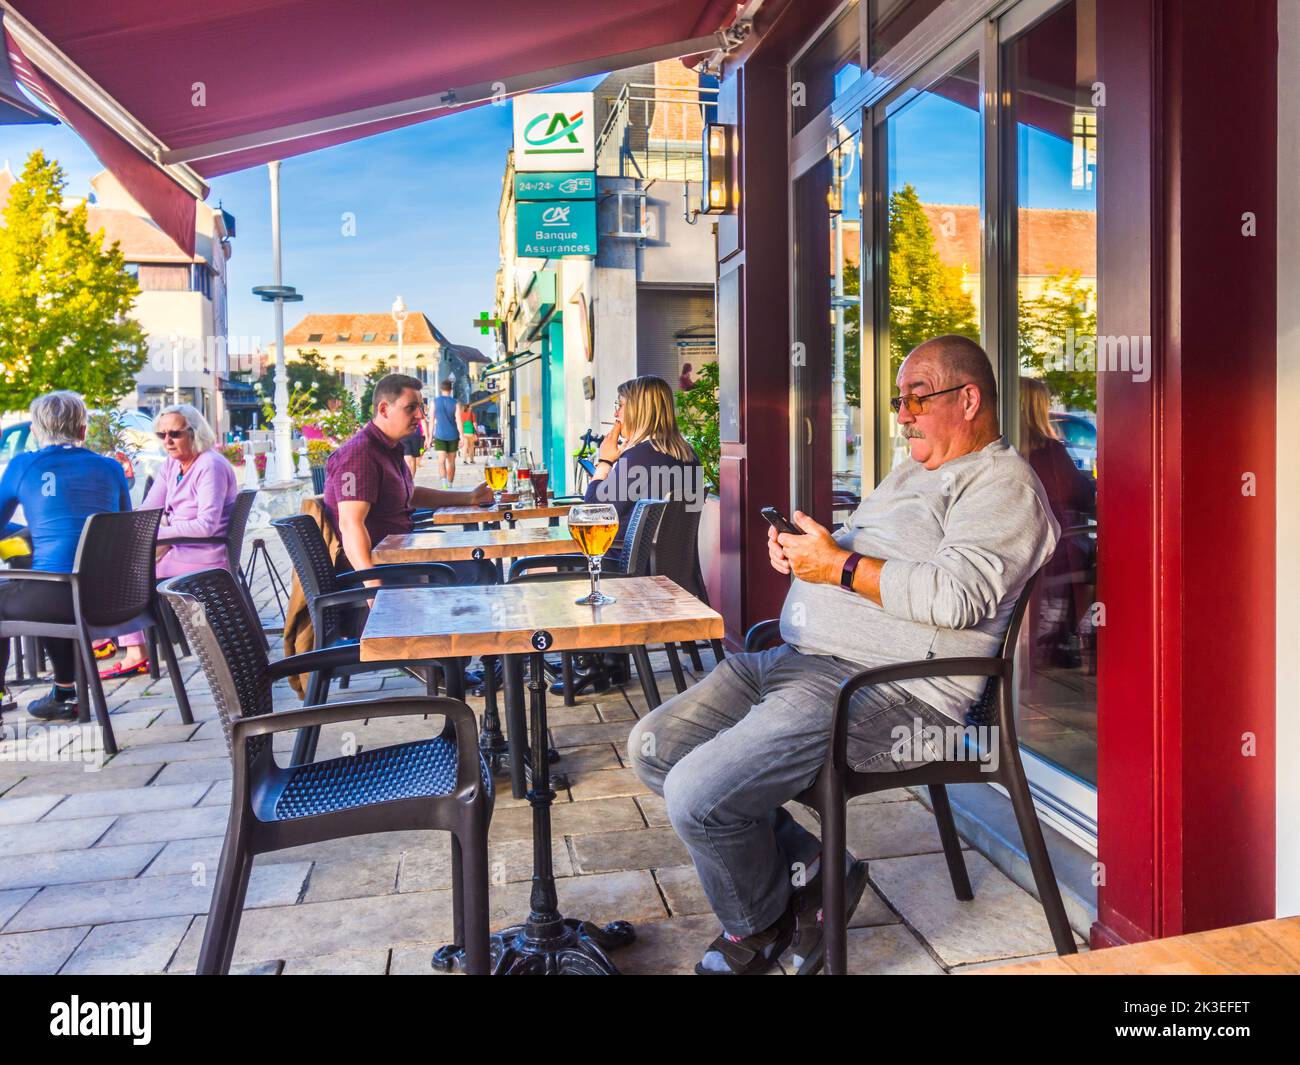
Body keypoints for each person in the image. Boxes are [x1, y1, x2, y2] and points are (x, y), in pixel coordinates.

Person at [627, 336, 1059, 975]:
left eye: (918, 397)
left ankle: (758, 926)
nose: (903, 413)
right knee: (654, 747)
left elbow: (958, 596)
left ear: (969, 400)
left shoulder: (1002, 484)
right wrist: (810, 557)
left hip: (885, 692)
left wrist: (837, 565)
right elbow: (864, 559)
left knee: (698, 792)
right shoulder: (913, 471)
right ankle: (812, 876)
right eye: (899, 399)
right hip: (796, 661)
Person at [0, 391, 131, 720]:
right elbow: (126, 527)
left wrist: (23, 533)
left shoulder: (23, 465)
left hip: (57, 598)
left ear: (34, 431)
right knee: (45, 579)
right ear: (83, 431)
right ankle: (64, 692)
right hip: (117, 597)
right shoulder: (111, 468)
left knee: (34, 587)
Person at [100, 404, 239, 678]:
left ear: (194, 432)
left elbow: (206, 526)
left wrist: (156, 532)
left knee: (123, 578)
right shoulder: (172, 465)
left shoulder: (209, 465)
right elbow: (149, 510)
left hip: (202, 555)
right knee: (120, 566)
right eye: (161, 434)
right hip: (179, 549)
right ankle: (130, 646)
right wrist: (142, 527)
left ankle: (136, 653)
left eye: (174, 433)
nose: (167, 441)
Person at [324, 373, 491, 578]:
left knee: (478, 560)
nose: (420, 415)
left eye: (420, 407)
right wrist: (373, 591)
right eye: (411, 408)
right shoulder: (359, 454)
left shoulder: (387, 447)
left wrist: (469, 498)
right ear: (384, 409)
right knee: (478, 570)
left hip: (401, 552)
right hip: (382, 567)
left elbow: (410, 494)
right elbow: (350, 524)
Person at [1018, 377, 1096, 669]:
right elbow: (1077, 494)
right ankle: (1067, 641)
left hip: (1026, 550)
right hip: (1056, 549)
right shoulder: (1049, 451)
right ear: (1038, 408)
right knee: (1098, 560)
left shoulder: (1006, 451)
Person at [586, 375, 704, 547]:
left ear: (637, 410)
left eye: (620, 406)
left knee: (560, 557)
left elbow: (593, 513)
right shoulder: (689, 455)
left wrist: (605, 461)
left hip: (622, 564)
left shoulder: (641, 457)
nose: (615, 414)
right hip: (672, 565)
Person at [430, 377, 462, 489]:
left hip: (440, 435)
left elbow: (432, 421)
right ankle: (450, 485)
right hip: (453, 435)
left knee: (441, 460)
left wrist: (429, 437)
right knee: (451, 462)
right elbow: (458, 421)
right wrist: (462, 436)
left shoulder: (434, 402)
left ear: (440, 389)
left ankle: (444, 484)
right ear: (451, 390)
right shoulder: (455, 403)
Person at [399, 403, 428, 478]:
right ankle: (408, 481)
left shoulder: (417, 407)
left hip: (416, 436)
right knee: (408, 459)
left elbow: (423, 421)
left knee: (413, 461)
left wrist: (427, 437)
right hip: (403, 436)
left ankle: (411, 480)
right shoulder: (400, 406)